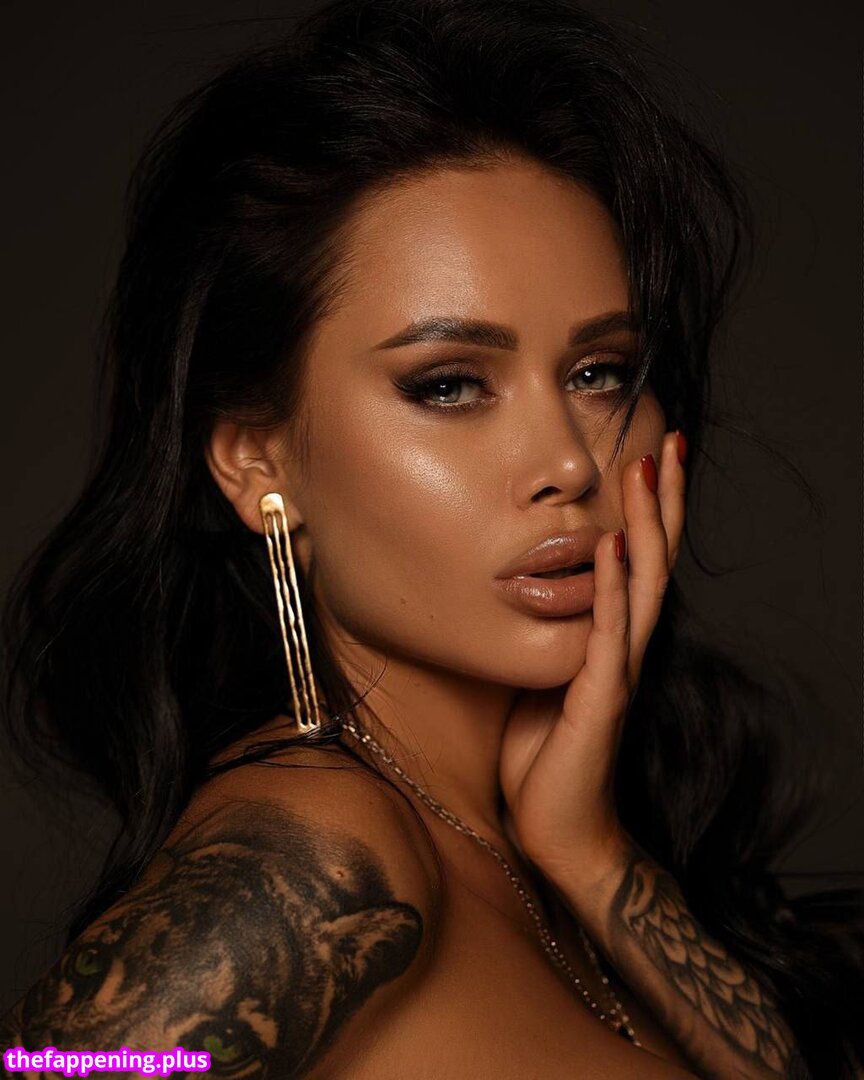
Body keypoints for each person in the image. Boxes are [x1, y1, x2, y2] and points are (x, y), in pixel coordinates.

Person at [0, 0, 860, 1077]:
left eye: (600, 373)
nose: (570, 463)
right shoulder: (308, 860)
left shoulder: (532, 841)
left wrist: (588, 850)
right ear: (257, 461)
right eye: (449, 385)